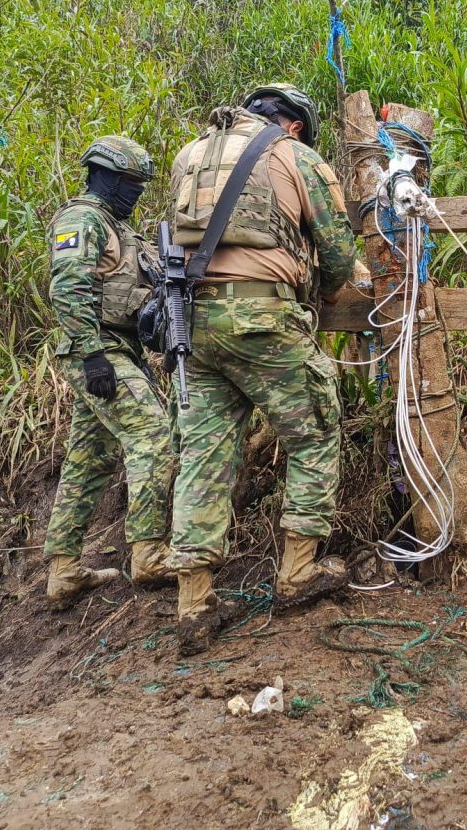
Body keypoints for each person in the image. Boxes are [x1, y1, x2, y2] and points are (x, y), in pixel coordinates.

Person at [168, 83, 356, 656]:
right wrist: (318, 298)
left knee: (203, 455)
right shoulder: (295, 156)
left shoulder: (191, 155)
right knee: (315, 432)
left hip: (193, 325)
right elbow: (340, 253)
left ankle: (194, 607)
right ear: (293, 125)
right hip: (262, 319)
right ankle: (297, 575)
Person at [44, 137, 175, 609]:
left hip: (118, 347)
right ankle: (149, 553)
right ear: (106, 176)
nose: (137, 192)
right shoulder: (83, 218)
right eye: (131, 183)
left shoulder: (118, 226)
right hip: (99, 351)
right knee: (153, 435)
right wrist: (92, 353)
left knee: (87, 458)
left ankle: (64, 572)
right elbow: (67, 287)